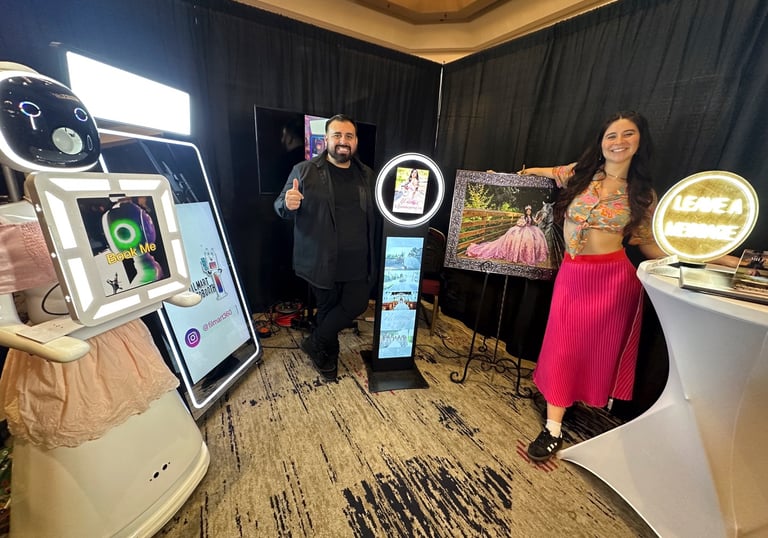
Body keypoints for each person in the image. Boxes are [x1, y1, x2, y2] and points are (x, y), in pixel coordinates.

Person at [520, 111, 737, 463]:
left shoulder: (642, 195)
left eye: (628, 134)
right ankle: (553, 425)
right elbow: (542, 172)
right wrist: (511, 178)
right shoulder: (579, 174)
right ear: (601, 142)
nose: (619, 141)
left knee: (593, 349)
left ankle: (559, 418)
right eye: (612, 135)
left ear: (639, 141)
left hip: (614, 281)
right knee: (563, 346)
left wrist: (722, 258)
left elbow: (653, 246)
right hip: (573, 276)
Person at [274, 114, 377, 381]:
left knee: (356, 305)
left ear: (355, 141)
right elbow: (280, 206)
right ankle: (328, 352)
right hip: (321, 259)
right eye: (337, 135)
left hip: (359, 260)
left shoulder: (367, 174)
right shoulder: (304, 170)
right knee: (328, 309)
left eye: (349, 136)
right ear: (326, 139)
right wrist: (288, 204)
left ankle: (316, 342)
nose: (343, 141)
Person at [465, 204, 549, 265]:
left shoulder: (531, 217)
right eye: (527, 210)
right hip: (522, 229)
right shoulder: (523, 217)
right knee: (517, 239)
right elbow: (519, 223)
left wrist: (540, 219)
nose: (528, 212)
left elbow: (536, 222)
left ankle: (526, 255)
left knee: (532, 239)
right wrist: (522, 223)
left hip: (529, 229)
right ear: (525, 211)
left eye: (529, 211)